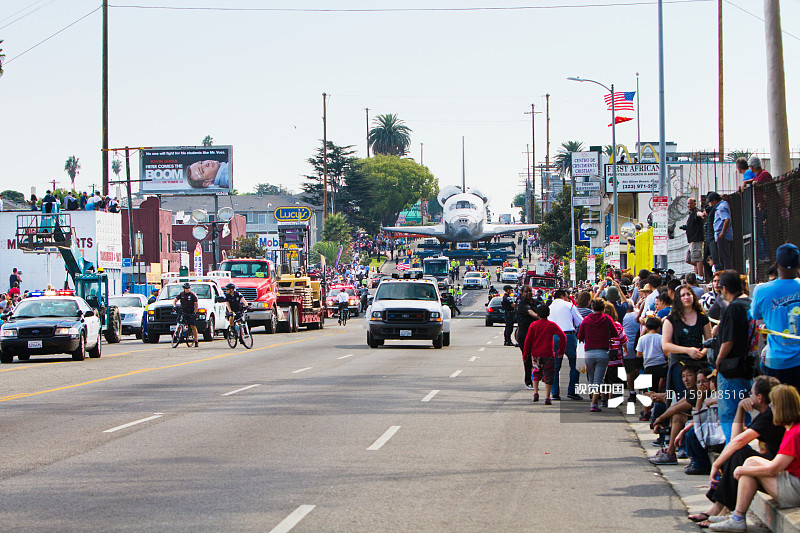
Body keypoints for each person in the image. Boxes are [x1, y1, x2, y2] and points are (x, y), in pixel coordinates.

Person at [689, 376, 783, 527]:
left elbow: (738, 442)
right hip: (772, 465)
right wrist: (740, 409)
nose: (748, 396)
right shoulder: (765, 415)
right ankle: (720, 508)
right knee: (737, 452)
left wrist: (716, 465)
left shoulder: (769, 416)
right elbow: (735, 438)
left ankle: (722, 509)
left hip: (778, 471)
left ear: (759, 398)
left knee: (738, 453)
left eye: (751, 393)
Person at [708, 384, 800, 532]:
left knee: (747, 468)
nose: (772, 409)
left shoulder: (795, 433)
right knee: (750, 462)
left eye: (773, 405)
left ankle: (737, 518)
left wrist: (741, 470)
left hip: (795, 490)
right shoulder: (794, 428)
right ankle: (737, 517)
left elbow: (773, 469)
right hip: (792, 481)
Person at [752, 243, 800, 390]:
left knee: (777, 401)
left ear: (776, 264)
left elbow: (755, 314)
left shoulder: (762, 290)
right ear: (798, 265)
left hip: (776, 361)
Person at [716, 271, 755, 443]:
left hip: (731, 369)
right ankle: (743, 448)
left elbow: (728, 340)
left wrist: (718, 360)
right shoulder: (749, 304)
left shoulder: (733, 307)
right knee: (744, 411)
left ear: (724, 289)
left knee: (729, 413)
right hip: (748, 365)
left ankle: (733, 451)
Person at [649, 365, 699, 465]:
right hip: (696, 421)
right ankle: (669, 449)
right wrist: (661, 418)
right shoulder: (691, 392)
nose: (686, 379)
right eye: (683, 376)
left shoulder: (698, 393)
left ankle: (670, 453)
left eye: (689, 375)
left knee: (678, 416)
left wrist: (660, 419)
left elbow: (676, 409)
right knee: (675, 414)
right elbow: (675, 406)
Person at [523, 303, 566, 405]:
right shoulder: (552, 325)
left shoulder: (533, 325)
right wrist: (561, 350)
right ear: (548, 314)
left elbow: (528, 340)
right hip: (548, 353)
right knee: (549, 374)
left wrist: (525, 354)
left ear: (537, 314)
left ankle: (535, 392)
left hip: (536, 353)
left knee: (536, 371)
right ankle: (547, 397)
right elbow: (563, 336)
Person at [577, 298, 616, 413]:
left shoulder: (586, 320)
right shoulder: (607, 319)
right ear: (603, 308)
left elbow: (580, 336)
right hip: (603, 352)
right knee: (599, 379)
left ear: (592, 307)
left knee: (591, 378)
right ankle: (594, 403)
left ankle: (593, 398)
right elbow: (614, 333)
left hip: (589, 352)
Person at [548, 289, 584, 401]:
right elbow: (581, 322)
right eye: (567, 296)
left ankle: (554, 392)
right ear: (563, 295)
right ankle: (572, 391)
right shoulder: (569, 305)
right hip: (568, 336)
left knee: (555, 366)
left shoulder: (549, 307)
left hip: (553, 337)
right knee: (574, 364)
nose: (568, 298)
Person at [516, 286, 539, 390]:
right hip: (524, 334)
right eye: (526, 291)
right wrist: (540, 316)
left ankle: (536, 378)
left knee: (537, 358)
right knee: (528, 358)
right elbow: (530, 312)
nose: (528, 293)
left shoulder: (535, 302)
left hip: (536, 334)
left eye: (530, 291)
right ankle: (529, 381)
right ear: (522, 292)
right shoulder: (521, 304)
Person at [707, 192, 734, 271]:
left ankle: (727, 274)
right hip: (724, 235)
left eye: (711, 202)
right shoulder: (724, 204)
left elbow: (726, 219)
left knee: (724, 258)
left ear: (714, 200)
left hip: (723, 236)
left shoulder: (721, 207)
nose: (711, 204)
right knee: (725, 257)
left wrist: (722, 232)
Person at [683, 198, 706, 278]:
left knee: (698, 258)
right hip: (691, 240)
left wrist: (702, 214)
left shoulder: (696, 212)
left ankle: (700, 276)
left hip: (697, 239)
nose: (689, 205)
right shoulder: (690, 214)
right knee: (690, 259)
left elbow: (699, 214)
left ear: (695, 204)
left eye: (691, 203)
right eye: (688, 203)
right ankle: (696, 275)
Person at [173, 282, 199, 346]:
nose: (188, 289)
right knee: (179, 323)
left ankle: (196, 341)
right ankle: (178, 336)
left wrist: (194, 312)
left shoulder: (192, 295)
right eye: (186, 288)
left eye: (189, 288)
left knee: (193, 326)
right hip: (183, 311)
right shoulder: (181, 294)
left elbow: (196, 304)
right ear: (184, 289)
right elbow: (175, 300)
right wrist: (174, 306)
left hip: (190, 312)